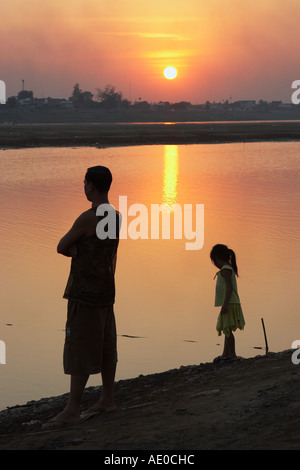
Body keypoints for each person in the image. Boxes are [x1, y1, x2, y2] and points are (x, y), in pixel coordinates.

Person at [43, 166, 120, 429]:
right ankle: (107, 399)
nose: (83, 187)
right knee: (106, 344)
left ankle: (72, 409)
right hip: (106, 291)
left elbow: (61, 246)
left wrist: (74, 248)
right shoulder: (116, 216)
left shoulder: (88, 217)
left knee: (79, 346)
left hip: (85, 293)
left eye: (84, 183)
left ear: (90, 186)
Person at [210, 244, 245, 363]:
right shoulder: (228, 268)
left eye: (214, 261)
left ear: (216, 257)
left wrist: (225, 304)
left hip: (229, 303)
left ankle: (233, 355)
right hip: (231, 302)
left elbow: (229, 287)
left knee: (228, 330)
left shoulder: (225, 269)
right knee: (226, 328)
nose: (215, 264)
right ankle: (225, 354)